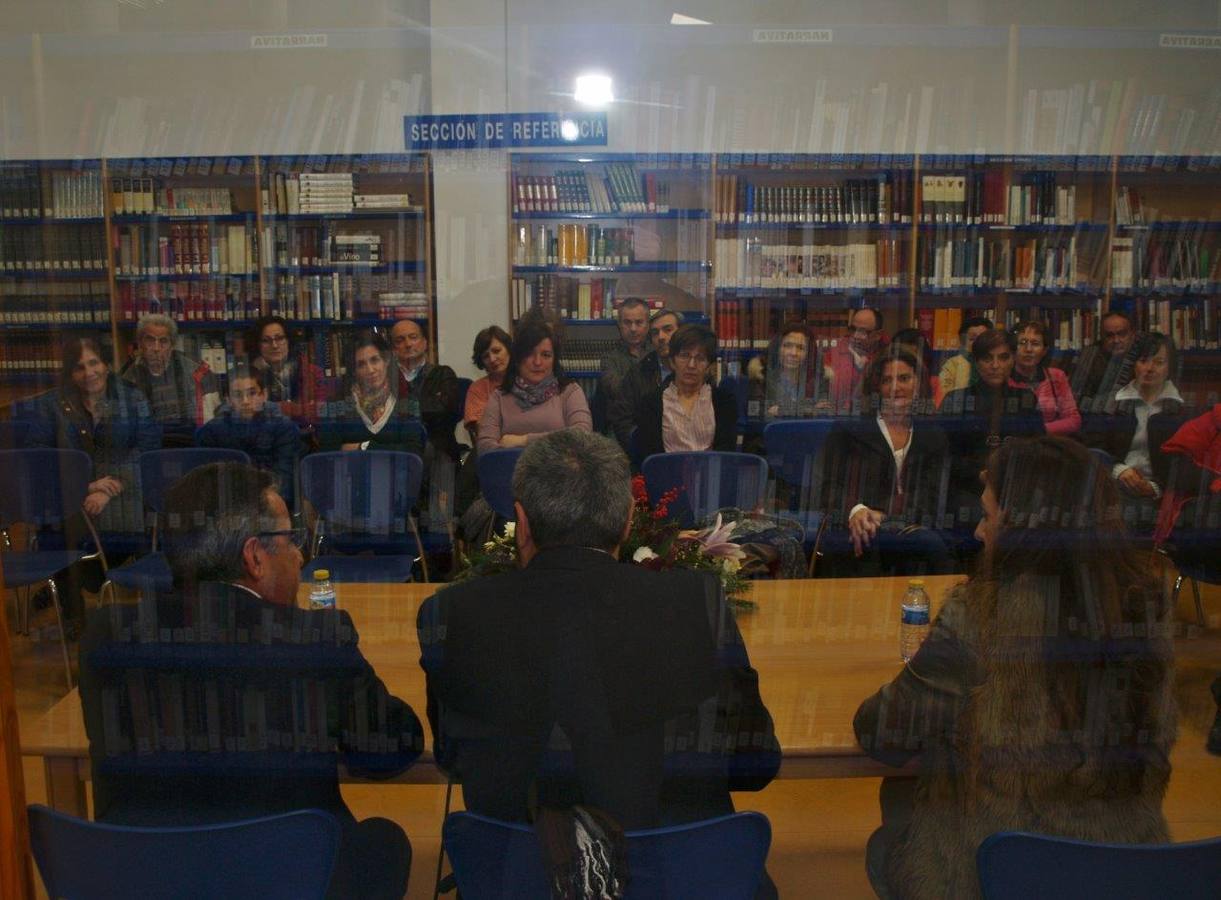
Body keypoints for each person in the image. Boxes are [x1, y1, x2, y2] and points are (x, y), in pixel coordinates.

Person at [418, 428, 779, 862]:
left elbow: (453, 759)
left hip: (520, 877)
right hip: (677, 876)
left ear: (522, 523)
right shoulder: (697, 602)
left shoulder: (450, 614)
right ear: (628, 519)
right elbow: (756, 762)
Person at [78, 462, 423, 900]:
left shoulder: (106, 634)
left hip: (147, 881)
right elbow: (393, 750)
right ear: (255, 557)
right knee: (383, 841)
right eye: (289, 539)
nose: (299, 554)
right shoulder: (312, 639)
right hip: (289, 881)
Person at [854, 435, 1176, 900]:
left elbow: (880, 734)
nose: (980, 533)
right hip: (1128, 867)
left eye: (988, 517)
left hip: (992, 874)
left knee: (895, 816)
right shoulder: (1146, 606)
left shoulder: (979, 615)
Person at [30, 337, 161, 622]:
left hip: (125, 497)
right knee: (55, 526)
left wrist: (111, 488)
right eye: (79, 367)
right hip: (73, 500)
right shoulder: (51, 405)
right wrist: (84, 487)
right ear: (70, 372)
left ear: (106, 364)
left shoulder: (132, 397)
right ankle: (72, 613)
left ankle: (129, 607)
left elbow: (149, 451)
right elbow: (40, 459)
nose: (89, 373)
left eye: (94, 363)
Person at [815, 350, 952, 576]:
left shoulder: (934, 435)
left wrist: (887, 515)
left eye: (904, 378)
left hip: (915, 526)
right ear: (876, 387)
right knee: (861, 545)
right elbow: (826, 486)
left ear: (919, 384)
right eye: (887, 380)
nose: (895, 387)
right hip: (857, 526)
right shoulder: (849, 430)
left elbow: (934, 494)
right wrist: (855, 510)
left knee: (929, 545)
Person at [939, 328, 1046, 523]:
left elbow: (1040, 451)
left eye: (1003, 358)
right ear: (976, 362)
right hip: (970, 487)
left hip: (1017, 488)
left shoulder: (1026, 399)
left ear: (1013, 359)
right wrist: (979, 475)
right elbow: (943, 458)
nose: (996, 365)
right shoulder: (956, 400)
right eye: (988, 358)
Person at [1082, 332, 1187, 518]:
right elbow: (1091, 449)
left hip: (1162, 496)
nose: (1149, 368)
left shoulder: (1182, 410)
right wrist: (1119, 470)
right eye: (1143, 360)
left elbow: (1185, 465)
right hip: (1113, 486)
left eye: (1159, 362)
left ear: (1169, 367)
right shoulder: (1109, 403)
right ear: (1133, 364)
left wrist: (1155, 488)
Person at [476, 311, 592, 454]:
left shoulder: (570, 391)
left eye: (546, 355)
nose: (537, 362)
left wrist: (523, 441)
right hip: (511, 474)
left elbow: (583, 437)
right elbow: (485, 448)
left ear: (554, 360)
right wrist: (559, 441)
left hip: (561, 474)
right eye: (530, 354)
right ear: (518, 358)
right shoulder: (498, 397)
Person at [195, 365, 300, 509]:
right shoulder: (211, 431)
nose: (245, 401)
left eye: (252, 393)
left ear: (264, 395)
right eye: (237, 395)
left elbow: (285, 480)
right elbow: (208, 481)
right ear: (228, 399)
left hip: (270, 504)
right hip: (228, 506)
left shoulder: (284, 428)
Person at [635, 323, 738, 458]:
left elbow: (725, 455)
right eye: (684, 356)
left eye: (700, 358)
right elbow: (650, 458)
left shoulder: (724, 401)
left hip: (709, 476)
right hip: (666, 477)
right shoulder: (651, 403)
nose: (691, 365)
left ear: (708, 365)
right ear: (672, 361)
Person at [318, 331, 424, 455]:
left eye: (375, 360)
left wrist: (364, 447)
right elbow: (327, 452)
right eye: (361, 364)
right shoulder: (335, 404)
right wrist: (390, 448)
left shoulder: (408, 401)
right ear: (354, 371)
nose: (370, 370)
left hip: (395, 473)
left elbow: (413, 452)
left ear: (386, 361)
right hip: (350, 474)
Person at [121, 313, 219, 446]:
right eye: (150, 340)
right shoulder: (126, 379)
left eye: (163, 341)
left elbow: (211, 427)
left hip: (191, 445)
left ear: (172, 345)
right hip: (146, 449)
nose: (156, 348)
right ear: (139, 344)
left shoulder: (199, 373)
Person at [607, 308, 683, 446]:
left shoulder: (694, 371)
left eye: (668, 330)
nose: (661, 337)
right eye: (655, 333)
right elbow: (622, 421)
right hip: (648, 454)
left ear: (683, 333)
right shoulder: (638, 373)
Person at [390, 318, 461, 463]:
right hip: (396, 451)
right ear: (393, 349)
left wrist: (397, 408)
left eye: (413, 337)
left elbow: (443, 412)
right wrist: (426, 404)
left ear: (424, 343)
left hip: (438, 452)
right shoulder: (384, 379)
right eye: (400, 340)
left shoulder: (443, 374)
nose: (408, 344)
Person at [246, 315, 330, 428]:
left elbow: (319, 413)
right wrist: (299, 409)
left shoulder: (312, 373)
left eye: (279, 338)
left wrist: (281, 408)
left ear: (288, 341)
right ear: (258, 345)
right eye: (266, 340)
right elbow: (243, 414)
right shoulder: (247, 376)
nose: (274, 345)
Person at [1009, 319, 1081, 435]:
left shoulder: (1056, 376)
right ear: (1013, 349)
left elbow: (1073, 421)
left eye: (1035, 344)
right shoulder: (1004, 378)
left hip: (1047, 443)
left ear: (1044, 351)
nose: (1028, 349)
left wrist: (1038, 430)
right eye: (1022, 343)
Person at [597, 297, 651, 447]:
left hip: (653, 423)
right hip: (619, 428)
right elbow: (617, 390)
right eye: (627, 322)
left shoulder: (657, 354)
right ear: (619, 325)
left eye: (639, 322)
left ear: (648, 325)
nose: (633, 329)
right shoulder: (609, 359)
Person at [746, 323, 826, 421]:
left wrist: (781, 410)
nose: (793, 353)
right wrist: (809, 409)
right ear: (777, 348)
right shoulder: (759, 377)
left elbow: (825, 410)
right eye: (787, 346)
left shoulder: (820, 380)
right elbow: (755, 412)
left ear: (809, 353)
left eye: (801, 348)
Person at [1072, 310, 1139, 414]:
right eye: (1109, 335)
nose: (1116, 340)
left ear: (1132, 334)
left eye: (1122, 334)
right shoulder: (1088, 360)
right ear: (1102, 336)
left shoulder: (1144, 358)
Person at [824, 307, 888, 414]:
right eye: (853, 329)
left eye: (863, 331)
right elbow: (821, 383)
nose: (855, 336)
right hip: (837, 417)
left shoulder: (888, 356)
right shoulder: (837, 349)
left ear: (878, 335)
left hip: (871, 419)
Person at [462, 325, 512, 444]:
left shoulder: (527, 380)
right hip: (494, 449)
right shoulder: (478, 388)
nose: (492, 359)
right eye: (485, 356)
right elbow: (482, 429)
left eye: (496, 351)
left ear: (509, 349)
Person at [936, 316, 992, 401]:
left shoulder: (996, 363)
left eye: (983, 338)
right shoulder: (952, 364)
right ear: (963, 342)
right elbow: (945, 394)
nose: (978, 342)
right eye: (972, 339)